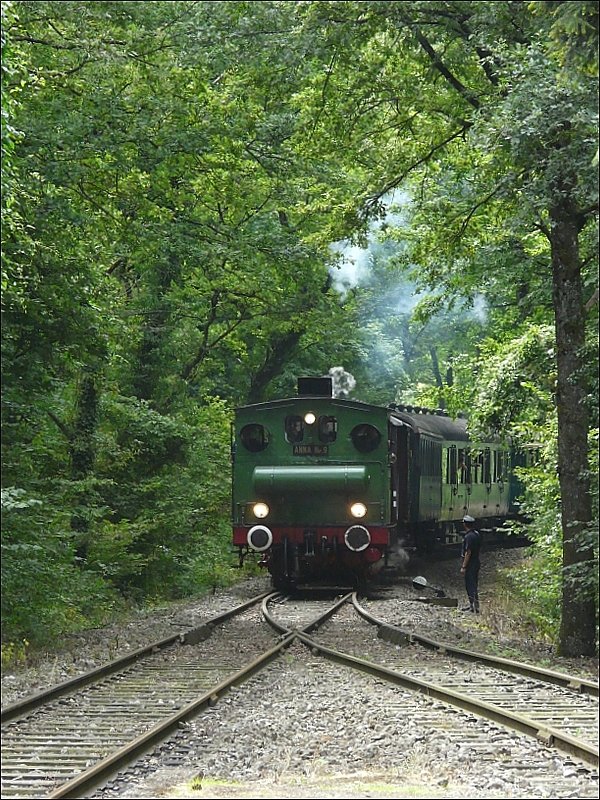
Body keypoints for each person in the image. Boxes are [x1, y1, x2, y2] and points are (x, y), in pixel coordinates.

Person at [460, 515, 482, 613]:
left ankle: (473, 606)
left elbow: (468, 552)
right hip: (476, 561)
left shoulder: (468, 536)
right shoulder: (476, 534)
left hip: (471, 564)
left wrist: (464, 566)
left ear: (465, 524)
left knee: (470, 585)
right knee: (474, 584)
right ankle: (474, 605)